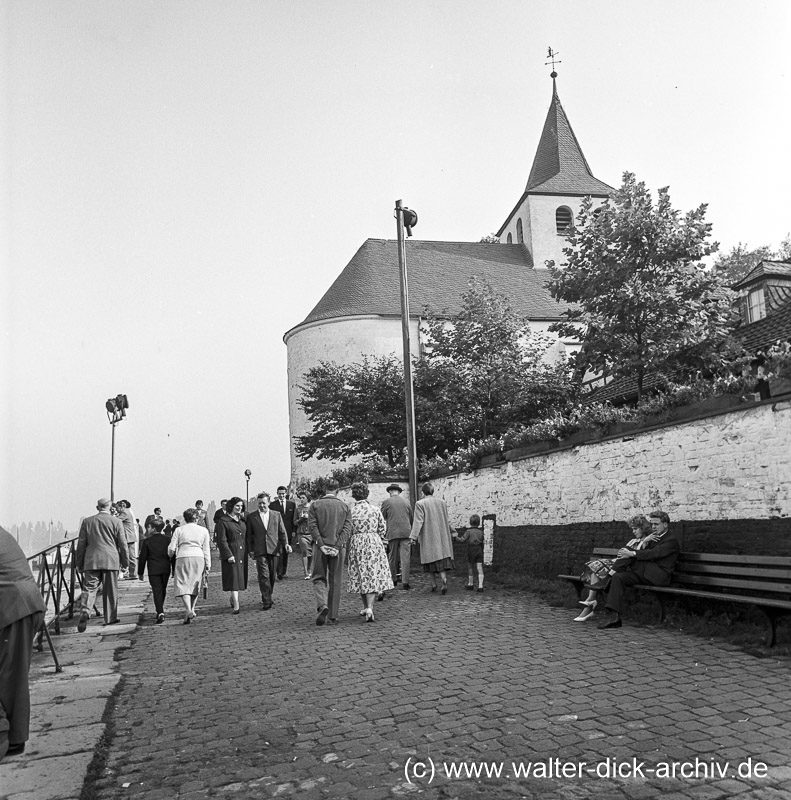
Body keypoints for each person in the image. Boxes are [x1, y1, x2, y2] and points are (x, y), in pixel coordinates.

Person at [0, 526, 47, 760]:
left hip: (13, 608)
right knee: (11, 676)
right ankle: (12, 736)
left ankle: (13, 739)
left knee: (11, 679)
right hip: (22, 604)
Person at [598, 510, 681, 630]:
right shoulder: (652, 537)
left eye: (656, 524)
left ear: (665, 524)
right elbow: (643, 552)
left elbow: (653, 554)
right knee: (619, 577)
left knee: (629, 554)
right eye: (652, 524)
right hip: (644, 573)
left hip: (659, 576)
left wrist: (632, 553)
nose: (653, 527)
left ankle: (608, 577)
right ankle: (614, 617)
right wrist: (644, 541)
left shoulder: (671, 540)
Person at [574, 515, 652, 622]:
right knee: (595, 570)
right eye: (632, 529)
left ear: (643, 528)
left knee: (597, 568)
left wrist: (639, 546)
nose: (633, 531)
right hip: (618, 564)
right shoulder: (632, 541)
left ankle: (590, 603)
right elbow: (621, 554)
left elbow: (635, 556)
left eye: (635, 529)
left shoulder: (647, 541)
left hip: (627, 568)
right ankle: (591, 601)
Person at [75, 498, 129, 631]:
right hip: (111, 559)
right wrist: (125, 562)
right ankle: (110, 617)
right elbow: (123, 544)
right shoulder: (116, 522)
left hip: (92, 560)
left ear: (97, 507)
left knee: (89, 588)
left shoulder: (87, 522)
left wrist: (79, 563)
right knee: (110, 590)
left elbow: (81, 544)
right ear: (111, 508)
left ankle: (85, 611)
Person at [346, 483, 394, 622]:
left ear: (354, 495)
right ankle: (370, 608)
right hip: (373, 542)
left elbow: (348, 530)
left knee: (361, 574)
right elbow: (382, 528)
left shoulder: (351, 511)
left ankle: (366, 606)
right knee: (372, 573)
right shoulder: (374, 509)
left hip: (357, 543)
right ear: (367, 494)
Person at [308, 479, 352, 626]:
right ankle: (333, 615)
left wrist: (321, 544)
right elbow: (347, 528)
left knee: (318, 577)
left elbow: (312, 527)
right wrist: (337, 546)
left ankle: (322, 604)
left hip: (320, 548)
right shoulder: (345, 506)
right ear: (338, 491)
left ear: (324, 490)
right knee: (336, 580)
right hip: (338, 549)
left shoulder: (315, 505)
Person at [246, 492, 290, 611]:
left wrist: (286, 544)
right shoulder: (251, 517)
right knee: (263, 575)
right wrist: (250, 550)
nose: (261, 506)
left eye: (263, 503)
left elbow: (282, 531)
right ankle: (266, 600)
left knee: (272, 575)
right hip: (259, 550)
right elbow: (249, 536)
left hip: (274, 548)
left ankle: (268, 594)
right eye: (259, 503)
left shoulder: (276, 515)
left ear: (268, 503)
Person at [409, 483, 455, 594]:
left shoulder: (420, 504)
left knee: (430, 560)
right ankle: (444, 579)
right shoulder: (442, 503)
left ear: (422, 492)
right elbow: (446, 519)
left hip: (429, 537)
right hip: (442, 536)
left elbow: (418, 521)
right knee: (441, 561)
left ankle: (434, 584)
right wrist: (453, 531)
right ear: (433, 491)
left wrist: (413, 537)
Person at [168, 508, 211, 624]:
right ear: (197, 518)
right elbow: (206, 549)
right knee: (194, 584)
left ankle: (187, 610)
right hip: (198, 557)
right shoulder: (204, 530)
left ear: (185, 519)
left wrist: (170, 555)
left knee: (183, 583)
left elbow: (172, 548)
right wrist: (208, 564)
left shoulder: (179, 530)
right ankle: (192, 609)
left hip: (183, 557)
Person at [215, 497, 247, 614]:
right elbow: (222, 540)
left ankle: (233, 598)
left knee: (239, 578)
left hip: (242, 552)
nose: (239, 508)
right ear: (232, 506)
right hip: (231, 551)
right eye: (237, 506)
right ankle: (237, 605)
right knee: (233, 578)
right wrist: (228, 554)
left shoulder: (243, 520)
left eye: (241, 506)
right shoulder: (223, 521)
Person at [137, 518, 173, 624]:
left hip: (153, 569)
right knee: (163, 589)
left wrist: (140, 572)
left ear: (153, 528)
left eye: (149, 527)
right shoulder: (168, 539)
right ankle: (160, 609)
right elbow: (172, 554)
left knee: (157, 590)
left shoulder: (147, 541)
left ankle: (160, 611)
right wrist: (174, 568)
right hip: (166, 568)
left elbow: (143, 557)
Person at [380, 483, 413, 590]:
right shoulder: (406, 502)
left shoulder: (386, 502)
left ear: (390, 491)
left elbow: (382, 517)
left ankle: (393, 579)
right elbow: (411, 517)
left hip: (392, 533)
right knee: (405, 557)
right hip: (406, 532)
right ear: (398, 492)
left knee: (392, 557)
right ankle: (405, 581)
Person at [453, 514, 485, 592]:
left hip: (471, 549)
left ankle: (470, 584)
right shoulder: (481, 532)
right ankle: (480, 586)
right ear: (479, 523)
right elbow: (482, 541)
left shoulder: (468, 531)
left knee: (470, 567)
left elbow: (462, 539)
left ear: (470, 522)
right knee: (479, 568)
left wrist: (455, 537)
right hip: (479, 549)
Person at [270, 486, 296, 579]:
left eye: (283, 493)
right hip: (276, 532)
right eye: (280, 493)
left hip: (288, 531)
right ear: (277, 494)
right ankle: (279, 572)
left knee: (286, 552)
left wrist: (293, 531)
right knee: (279, 551)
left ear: (286, 494)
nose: (281, 495)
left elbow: (293, 519)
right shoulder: (272, 505)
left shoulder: (291, 505)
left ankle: (284, 571)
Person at [116, 500, 138, 579]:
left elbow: (116, 520)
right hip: (129, 536)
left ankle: (133, 573)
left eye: (117, 507)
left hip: (128, 537)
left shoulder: (124, 513)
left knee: (130, 556)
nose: (116, 509)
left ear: (122, 506)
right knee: (129, 556)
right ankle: (131, 573)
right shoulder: (128, 512)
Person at [293, 492, 312, 579]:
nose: (301, 499)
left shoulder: (312, 508)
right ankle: (305, 572)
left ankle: (309, 569)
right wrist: (301, 519)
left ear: (307, 498)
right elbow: (295, 522)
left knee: (311, 553)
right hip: (302, 533)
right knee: (304, 551)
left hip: (311, 533)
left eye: (303, 497)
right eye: (300, 498)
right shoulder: (298, 509)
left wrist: (309, 518)